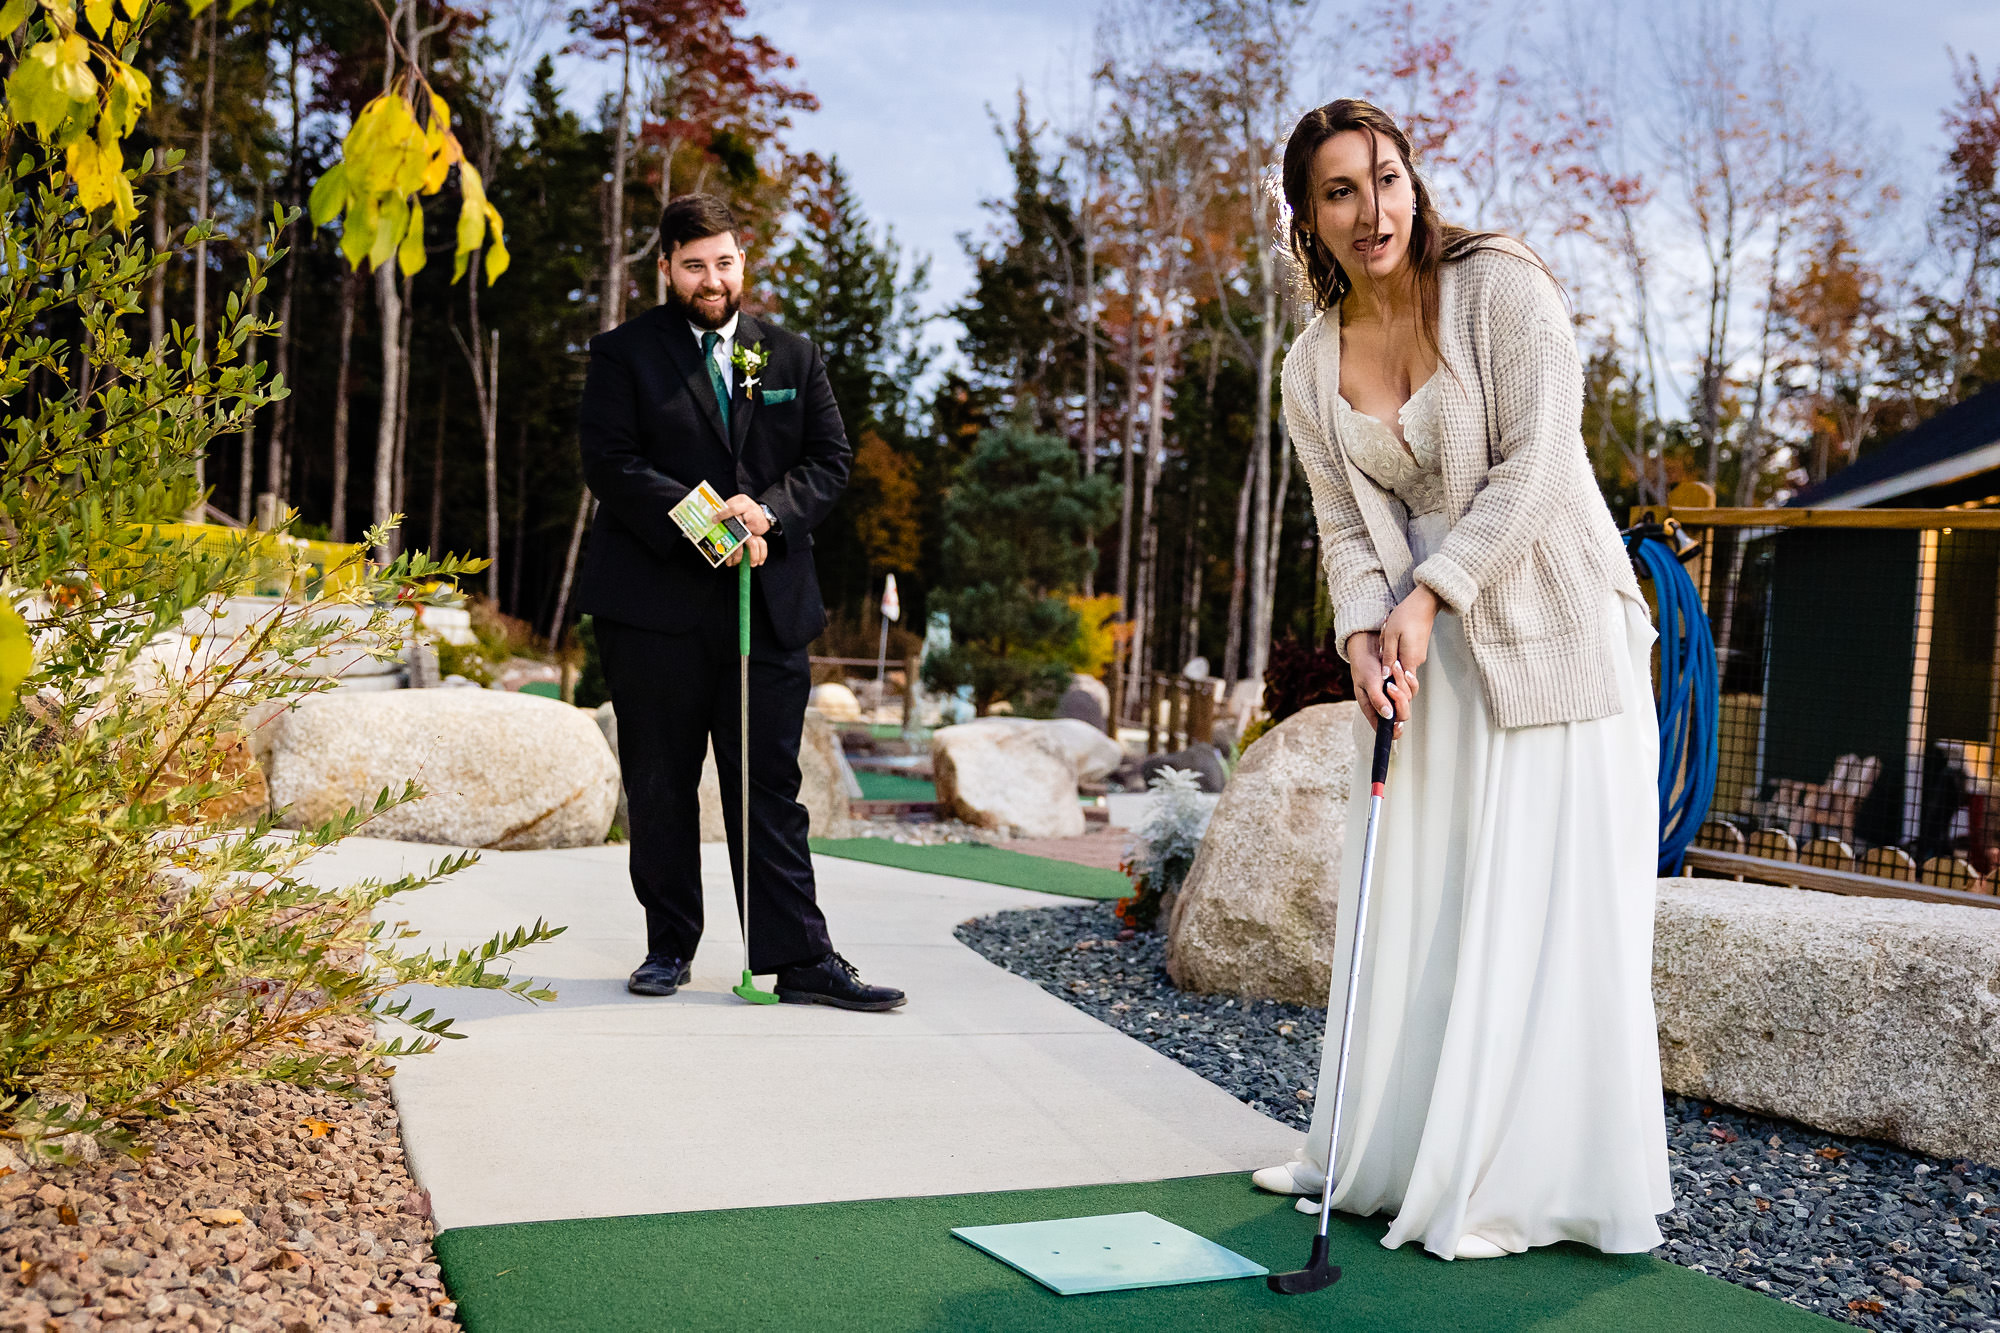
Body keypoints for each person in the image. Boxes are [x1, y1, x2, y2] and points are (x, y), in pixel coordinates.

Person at [1248, 99, 1671, 1260]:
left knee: (1532, 908)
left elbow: (1538, 462)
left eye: (1384, 178)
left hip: (1547, 626)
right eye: (1338, 191)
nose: (1369, 208)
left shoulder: (1501, 286)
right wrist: (1355, 638)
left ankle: (1510, 1179)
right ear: (1307, 219)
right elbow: (1339, 527)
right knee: (1419, 901)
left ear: (1413, 182)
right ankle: (1376, 1149)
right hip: (1418, 648)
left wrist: (1430, 594)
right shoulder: (1304, 365)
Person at [576, 192, 905, 1012]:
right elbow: (611, 465)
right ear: (665, 268)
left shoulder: (790, 356)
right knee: (659, 783)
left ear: (741, 263)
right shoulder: (623, 355)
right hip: (654, 612)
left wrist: (769, 513)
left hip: (768, 609)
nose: (711, 279)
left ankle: (798, 957)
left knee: (769, 787)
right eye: (693, 265)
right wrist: (707, 524)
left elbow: (829, 461)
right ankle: (668, 946)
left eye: (724, 262)